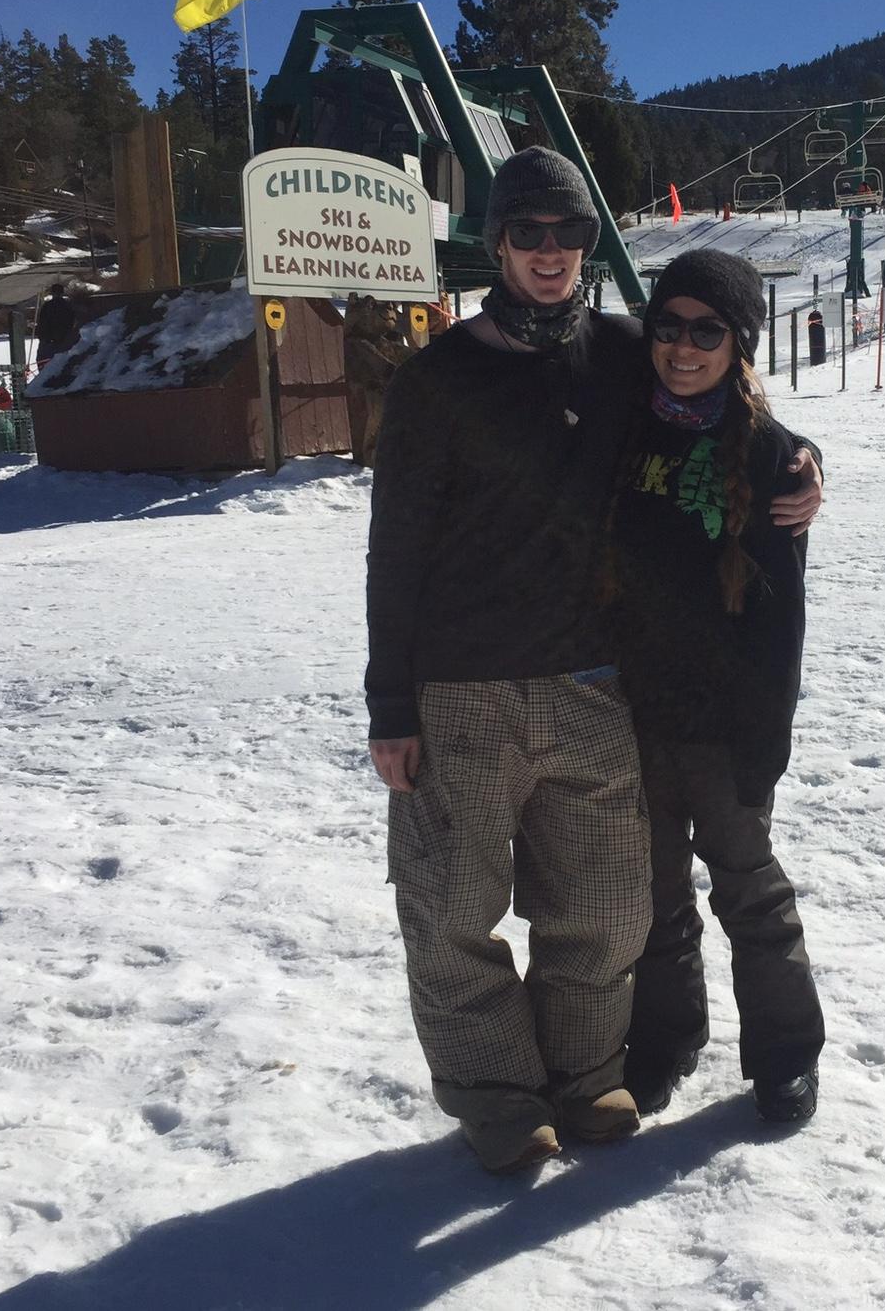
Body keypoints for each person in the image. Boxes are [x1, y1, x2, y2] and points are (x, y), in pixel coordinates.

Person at [366, 147, 823, 1174]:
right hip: (463, 686)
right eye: (528, 232)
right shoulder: (437, 379)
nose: (549, 252)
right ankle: (498, 1097)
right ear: (495, 242)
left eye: (568, 232)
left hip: (592, 685)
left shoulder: (620, 353)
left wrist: (802, 462)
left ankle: (586, 1075)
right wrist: (391, 703)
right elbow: (393, 549)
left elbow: (737, 414)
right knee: (454, 909)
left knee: (606, 911)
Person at [614, 249, 824, 1125]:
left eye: (708, 332)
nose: (683, 347)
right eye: (668, 326)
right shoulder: (622, 425)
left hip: (726, 724)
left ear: (740, 344)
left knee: (749, 890)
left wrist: (765, 738)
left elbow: (781, 622)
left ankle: (785, 1054)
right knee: (654, 894)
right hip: (633, 711)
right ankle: (665, 1041)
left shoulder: (770, 456)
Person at [343, 295, 413, 467]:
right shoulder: (356, 342)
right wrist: (400, 372)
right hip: (370, 394)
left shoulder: (382, 341)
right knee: (376, 416)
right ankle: (369, 454)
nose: (389, 308)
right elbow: (381, 365)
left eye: (392, 305)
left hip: (385, 392)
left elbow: (403, 352)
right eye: (373, 305)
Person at [35, 283, 76, 368]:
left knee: (44, 363)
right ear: (62, 293)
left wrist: (41, 335)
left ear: (52, 293)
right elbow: (72, 323)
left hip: (49, 341)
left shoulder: (47, 306)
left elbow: (42, 323)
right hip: (63, 340)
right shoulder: (68, 306)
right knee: (59, 365)